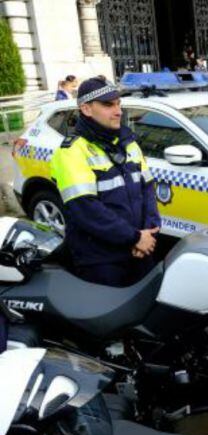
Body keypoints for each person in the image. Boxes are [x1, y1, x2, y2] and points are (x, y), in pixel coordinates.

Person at [50, 77, 161, 287]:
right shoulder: (71, 152)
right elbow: (86, 210)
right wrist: (134, 238)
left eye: (119, 103)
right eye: (108, 105)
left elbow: (147, 190)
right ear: (86, 109)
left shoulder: (128, 143)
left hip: (141, 250)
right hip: (102, 260)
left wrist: (149, 233)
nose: (118, 111)